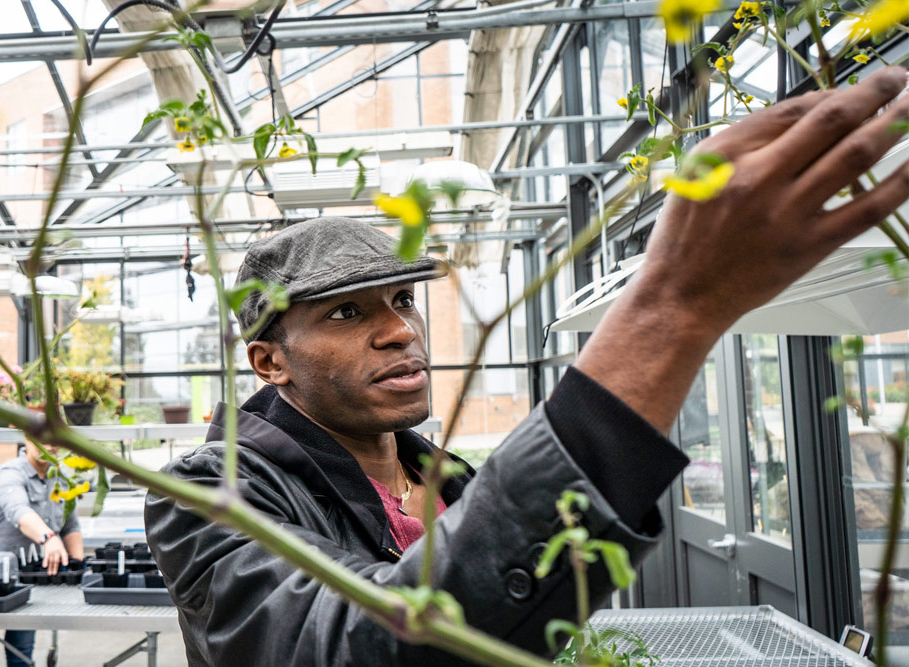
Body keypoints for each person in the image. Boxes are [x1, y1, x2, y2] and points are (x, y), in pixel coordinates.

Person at [145, 66, 909, 665]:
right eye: (347, 312)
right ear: (269, 361)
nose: (398, 330)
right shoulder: (212, 494)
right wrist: (670, 307)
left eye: (403, 299)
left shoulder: (449, 478)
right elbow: (357, 646)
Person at [0, 443, 83, 667]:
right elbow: (18, 510)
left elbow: (70, 526)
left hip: (27, 576)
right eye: (41, 438)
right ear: (27, 439)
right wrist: (48, 538)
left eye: (53, 439)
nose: (49, 445)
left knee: (22, 647)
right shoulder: (10, 473)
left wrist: (80, 568)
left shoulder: (61, 478)